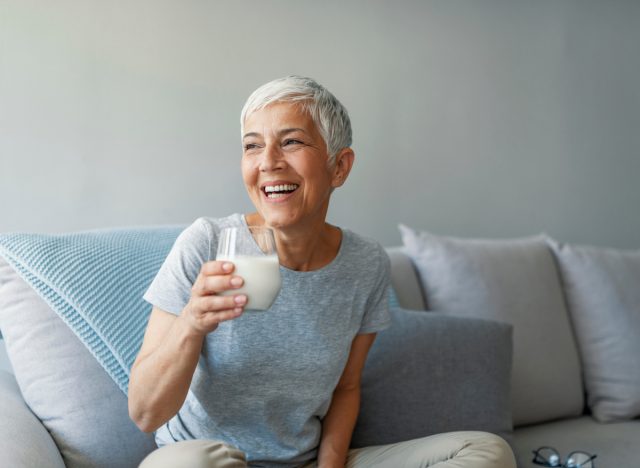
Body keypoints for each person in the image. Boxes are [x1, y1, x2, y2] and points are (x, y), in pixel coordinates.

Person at [128, 75, 516, 468]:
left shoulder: (366, 264)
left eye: (291, 141)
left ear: (339, 166)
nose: (268, 162)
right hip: (207, 460)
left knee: (486, 451)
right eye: (252, 146)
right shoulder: (207, 242)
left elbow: (346, 388)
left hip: (304, 462)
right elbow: (145, 414)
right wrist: (191, 324)